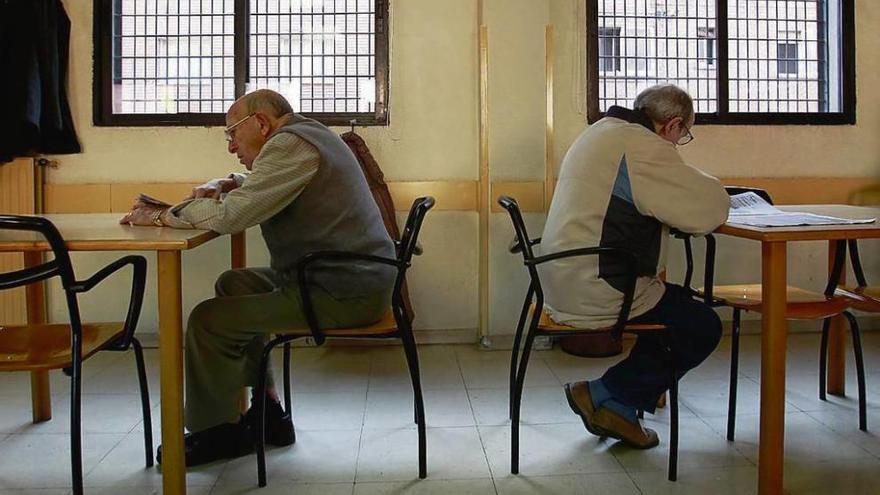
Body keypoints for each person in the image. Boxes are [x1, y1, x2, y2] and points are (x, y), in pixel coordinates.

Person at [120, 89, 396, 466]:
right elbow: (263, 182)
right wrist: (228, 182)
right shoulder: (307, 135)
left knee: (209, 320)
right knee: (235, 285)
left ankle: (217, 432)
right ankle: (268, 412)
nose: (232, 146)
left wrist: (160, 216)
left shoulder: (290, 144)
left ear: (262, 124)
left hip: (345, 292)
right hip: (345, 278)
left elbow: (232, 217)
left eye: (232, 134)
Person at [540, 84, 729, 449]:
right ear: (672, 126)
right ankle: (606, 394)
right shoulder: (642, 145)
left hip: (564, 273)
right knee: (701, 326)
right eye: (683, 135)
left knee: (675, 308)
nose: (678, 145)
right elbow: (707, 208)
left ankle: (615, 403)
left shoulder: (602, 131)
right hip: (599, 282)